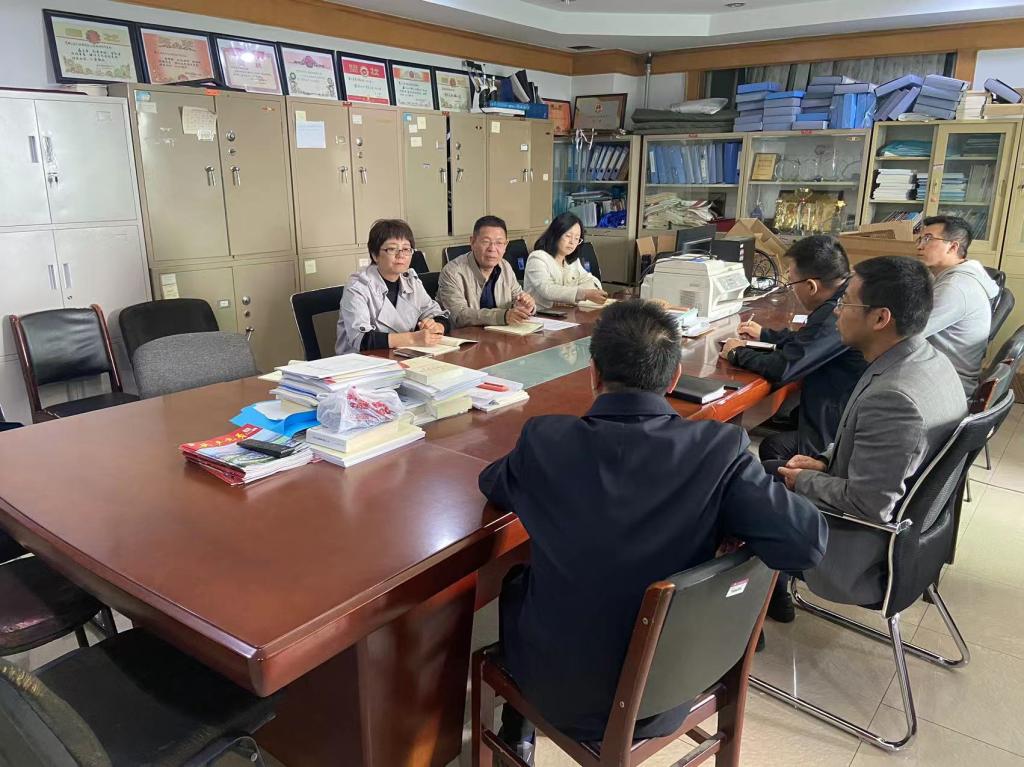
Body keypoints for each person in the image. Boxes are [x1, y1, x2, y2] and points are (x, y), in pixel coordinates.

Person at [479, 299, 827, 760]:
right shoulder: (719, 450)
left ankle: (517, 730)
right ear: (675, 377)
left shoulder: (546, 440)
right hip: (679, 681)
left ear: (594, 374)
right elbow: (806, 544)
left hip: (559, 689)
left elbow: (493, 484)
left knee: (518, 582)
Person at [777, 256, 967, 608]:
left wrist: (803, 481)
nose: (836, 311)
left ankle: (748, 614)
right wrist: (824, 462)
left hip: (861, 553)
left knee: (744, 494)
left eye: (846, 302)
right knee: (769, 469)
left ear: (881, 318)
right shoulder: (928, 360)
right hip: (911, 537)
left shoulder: (894, 399)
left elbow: (870, 504)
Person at [719, 236, 867, 463]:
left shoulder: (835, 313)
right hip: (842, 407)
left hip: (835, 429)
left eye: (791, 282)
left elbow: (783, 368)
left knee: (773, 448)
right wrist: (766, 335)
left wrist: (736, 353)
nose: (792, 290)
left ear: (811, 286)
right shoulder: (847, 296)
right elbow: (810, 340)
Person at [335, 219, 450, 354]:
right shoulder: (358, 287)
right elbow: (362, 340)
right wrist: (413, 338)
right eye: (392, 249)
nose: (401, 255)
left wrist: (437, 326)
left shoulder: (410, 280)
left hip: (403, 355)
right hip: (363, 361)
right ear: (375, 255)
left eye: (406, 249)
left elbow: (437, 314)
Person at [916, 215, 999, 396]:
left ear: (953, 247)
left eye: (928, 239)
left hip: (947, 383)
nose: (920, 246)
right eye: (920, 239)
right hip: (938, 371)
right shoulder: (949, 276)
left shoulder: (955, 287)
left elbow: (910, 333)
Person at [437, 215, 536, 327]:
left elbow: (517, 297)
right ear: (472, 242)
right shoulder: (452, 272)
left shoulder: (505, 266)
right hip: (465, 336)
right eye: (486, 242)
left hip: (501, 334)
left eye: (499, 243)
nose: (492, 249)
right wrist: (502, 316)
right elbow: (459, 315)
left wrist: (526, 306)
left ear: (506, 245)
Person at [523, 212, 607, 310]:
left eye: (577, 238)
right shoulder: (537, 258)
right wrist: (583, 294)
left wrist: (572, 296)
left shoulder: (572, 261)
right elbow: (547, 289)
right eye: (568, 236)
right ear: (556, 234)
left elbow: (591, 281)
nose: (572, 242)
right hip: (540, 314)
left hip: (565, 313)